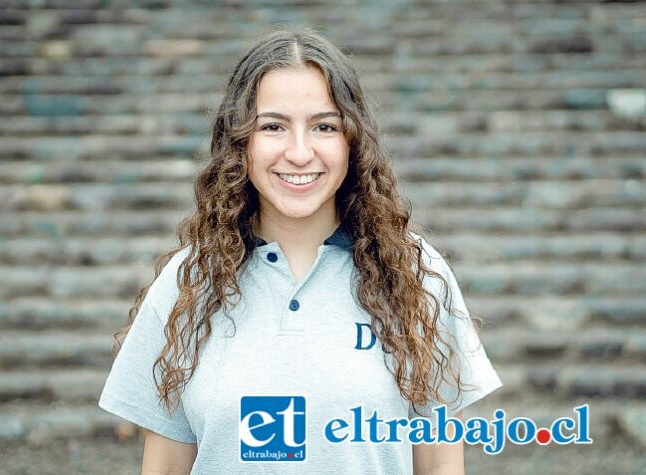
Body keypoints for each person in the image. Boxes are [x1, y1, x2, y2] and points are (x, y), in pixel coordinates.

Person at [98, 28, 503, 474]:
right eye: (273, 126)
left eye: (324, 126)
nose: (298, 152)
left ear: (352, 141)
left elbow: (441, 467)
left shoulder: (416, 276)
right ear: (241, 142)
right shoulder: (186, 285)